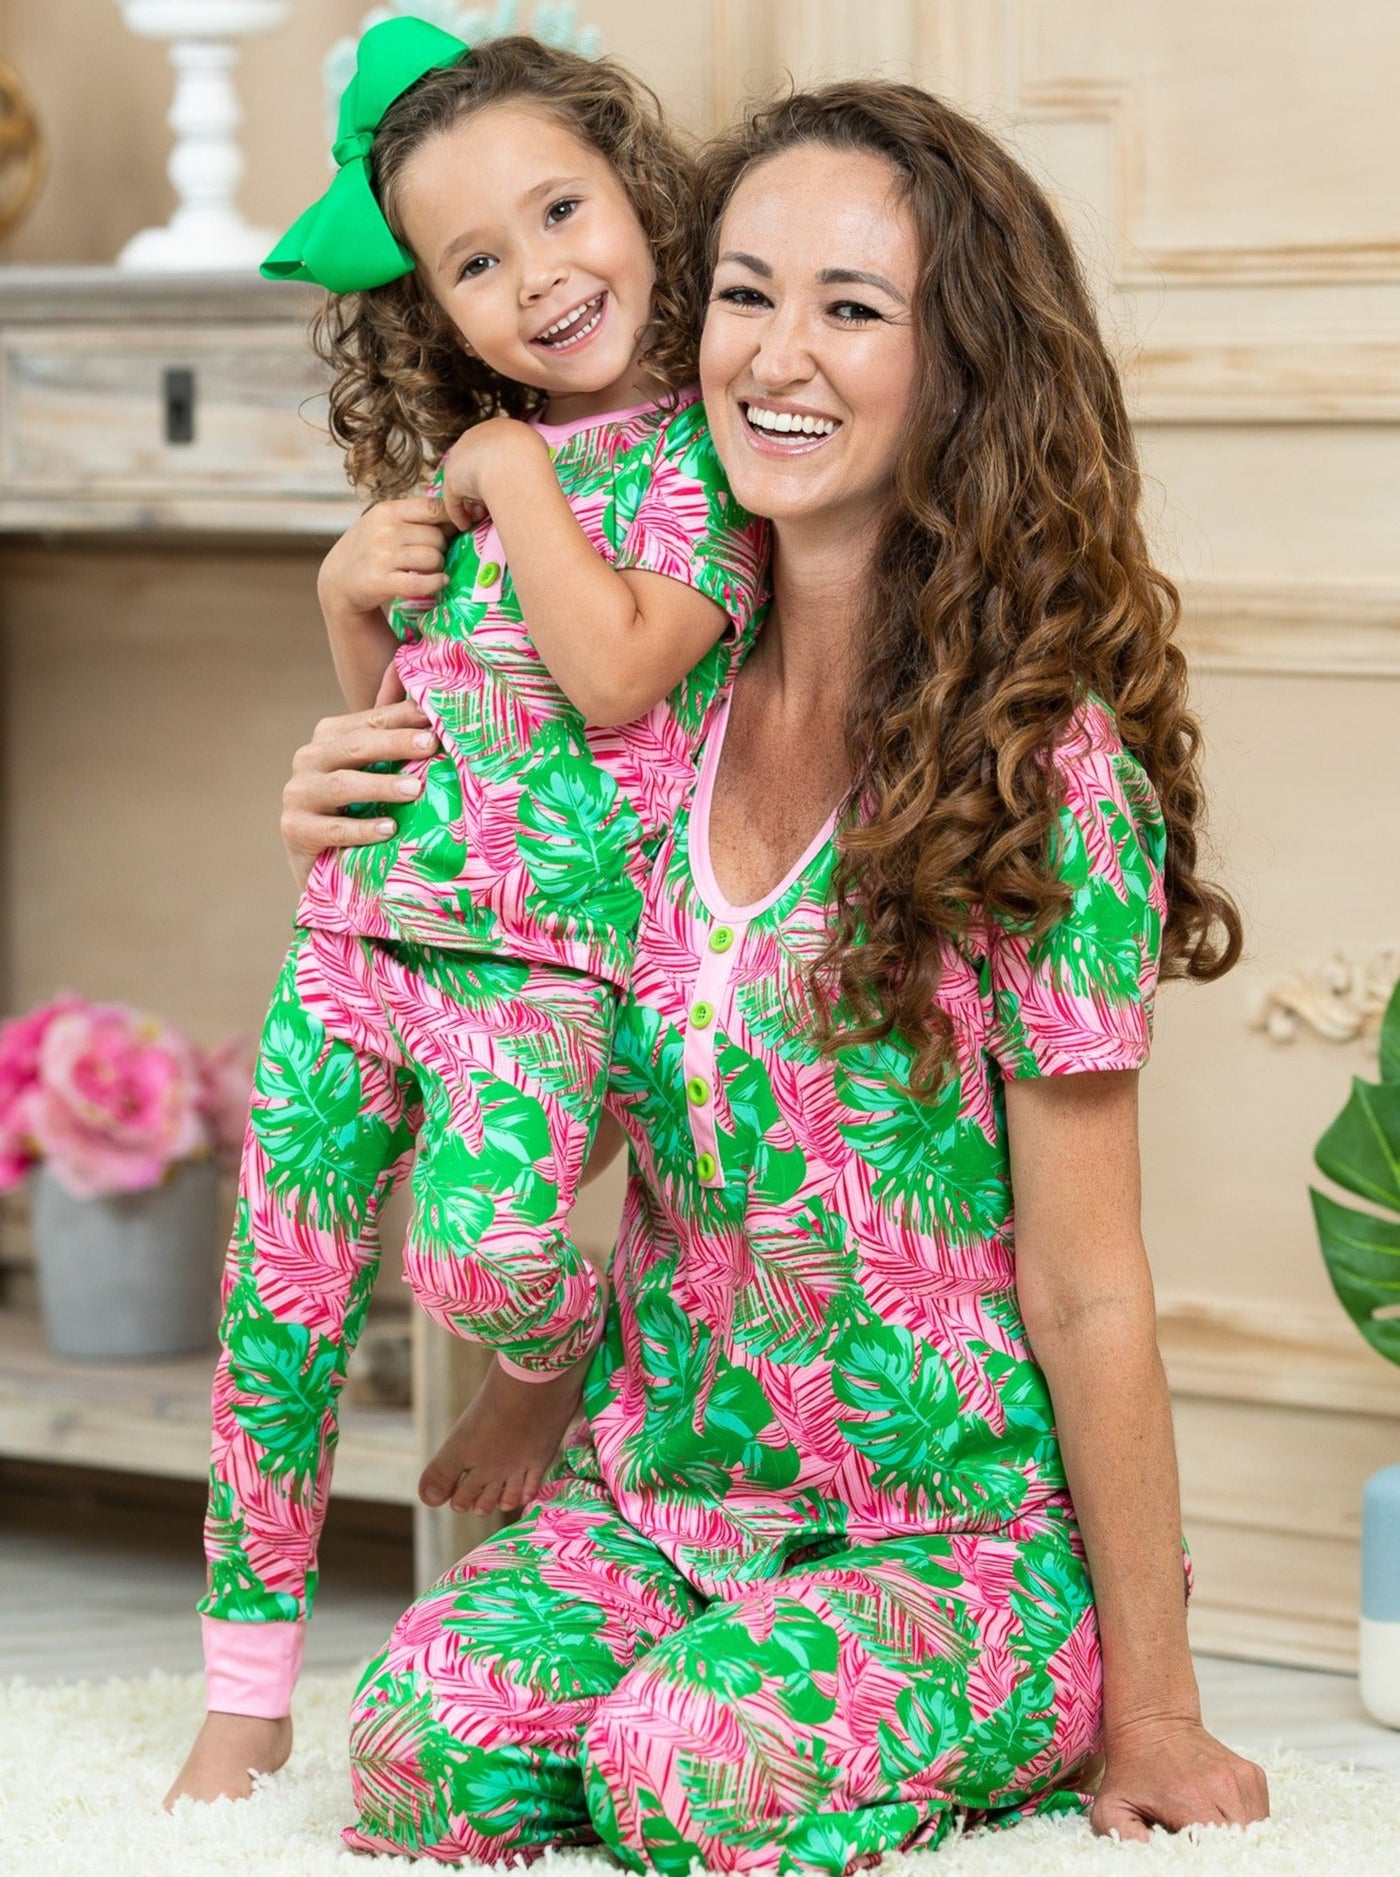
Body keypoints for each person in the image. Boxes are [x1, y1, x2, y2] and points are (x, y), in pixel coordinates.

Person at [205, 76, 1272, 1871]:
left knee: (676, 1768)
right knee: (415, 1751)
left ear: (961, 367)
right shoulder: (647, 699)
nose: (780, 352)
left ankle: (1055, 1673)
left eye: (853, 308)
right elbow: (578, 1065)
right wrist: (356, 789)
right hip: (671, 1495)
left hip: (954, 1531)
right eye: (752, 292)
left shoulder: (1041, 771)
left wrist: (1158, 1717)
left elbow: (1091, 1279)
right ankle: (716, 1655)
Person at [165, 20, 766, 1809]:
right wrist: (348, 599)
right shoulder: (467, 468)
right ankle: (246, 1686)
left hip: (539, 973)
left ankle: (561, 1346)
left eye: (562, 210)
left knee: (488, 1252)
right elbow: (409, 718)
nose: (539, 274)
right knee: (278, 1299)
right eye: (477, 261)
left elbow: (617, 683)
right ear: (431, 303)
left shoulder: (705, 462)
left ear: (640, 196)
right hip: (355, 941)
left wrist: (509, 480)